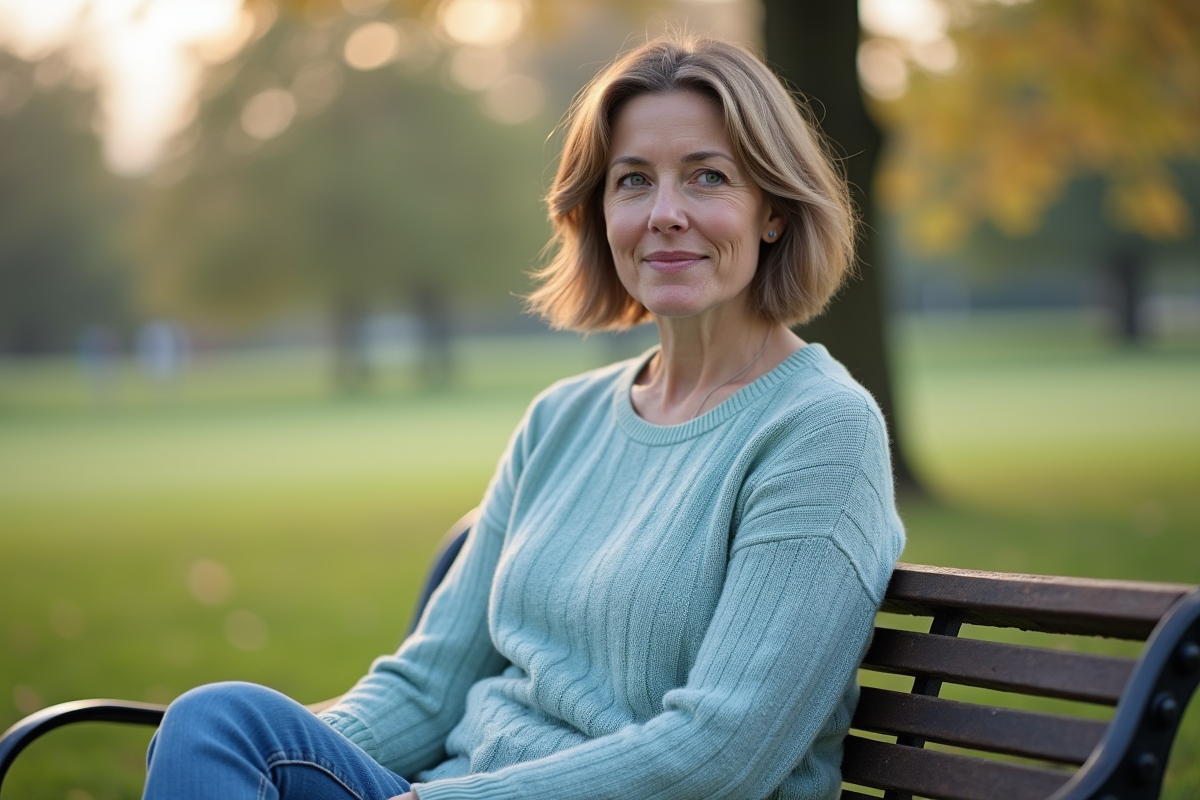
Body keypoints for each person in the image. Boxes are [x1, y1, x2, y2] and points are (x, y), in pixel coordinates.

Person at [143, 33, 905, 800]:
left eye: (708, 177)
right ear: (600, 213)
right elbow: (430, 687)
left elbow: (721, 752)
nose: (666, 213)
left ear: (773, 211)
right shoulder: (560, 420)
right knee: (218, 726)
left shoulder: (819, 430)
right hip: (446, 789)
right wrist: (283, 767)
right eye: (633, 181)